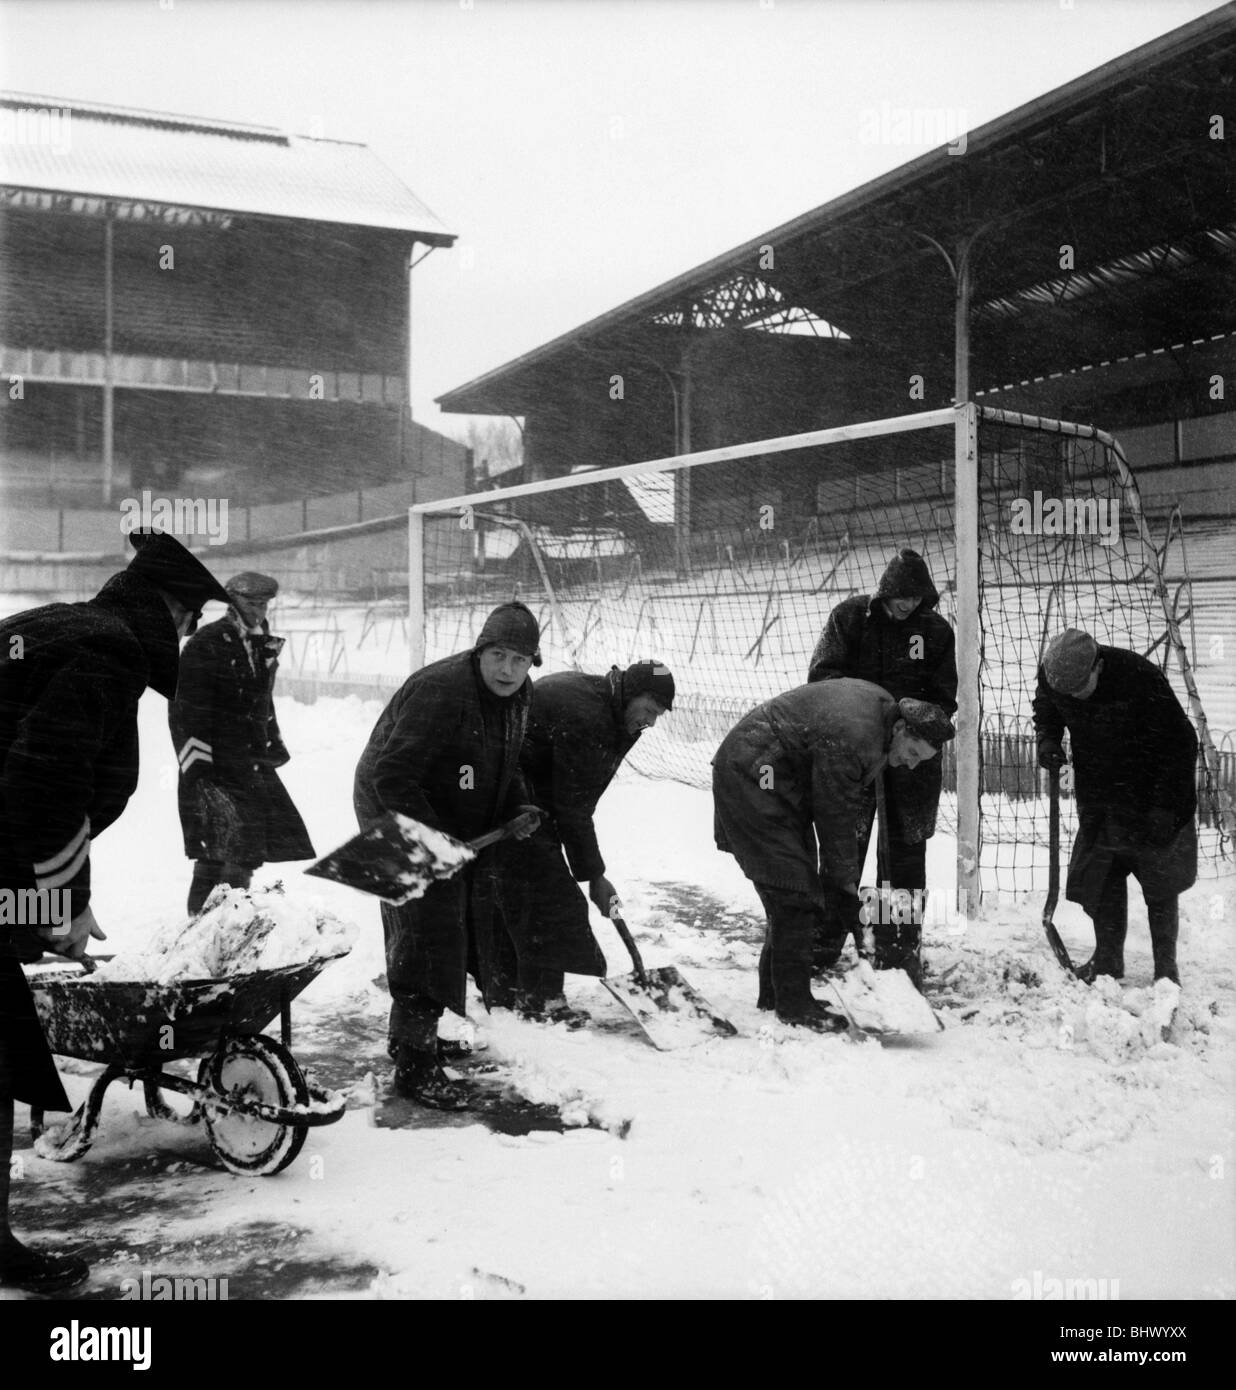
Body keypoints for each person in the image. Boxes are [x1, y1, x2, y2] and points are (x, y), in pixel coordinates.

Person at [0, 530, 230, 1293]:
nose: (189, 639)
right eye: (190, 621)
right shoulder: (111, 650)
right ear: (167, 610)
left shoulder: (68, 626)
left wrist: (39, 902)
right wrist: (60, 902)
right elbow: (42, 778)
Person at [353, 601, 543, 1110]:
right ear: (480, 652)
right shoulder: (441, 691)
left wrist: (519, 801)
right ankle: (415, 1067)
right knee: (426, 927)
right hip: (392, 806)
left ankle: (415, 1036)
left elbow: (507, 762)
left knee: (454, 922)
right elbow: (390, 776)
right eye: (498, 655)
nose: (508, 669)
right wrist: (436, 842)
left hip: (447, 811)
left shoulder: (519, 695)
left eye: (520, 659)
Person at [713, 679, 954, 1029]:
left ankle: (777, 995)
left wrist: (842, 887)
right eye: (913, 753)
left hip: (775, 778)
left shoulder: (881, 719)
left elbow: (836, 807)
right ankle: (793, 1006)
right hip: (756, 775)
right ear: (901, 728)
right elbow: (834, 812)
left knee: (793, 888)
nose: (911, 764)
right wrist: (844, 888)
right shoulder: (855, 736)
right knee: (792, 890)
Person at [806, 548, 957, 985]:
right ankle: (827, 938)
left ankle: (897, 946)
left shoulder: (936, 631)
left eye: (916, 597)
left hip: (912, 762)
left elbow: (945, 698)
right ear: (885, 591)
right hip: (854, 754)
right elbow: (822, 678)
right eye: (901, 596)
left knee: (904, 855)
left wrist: (916, 717)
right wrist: (874, 712)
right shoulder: (851, 618)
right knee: (843, 848)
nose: (908, 605)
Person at [496, 660, 675, 1025]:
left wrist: (587, 865)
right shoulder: (588, 715)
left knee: (528, 891)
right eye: (650, 710)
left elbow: (578, 795)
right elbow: (573, 806)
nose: (651, 722)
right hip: (507, 793)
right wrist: (595, 875)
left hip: (530, 792)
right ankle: (539, 1000)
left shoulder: (612, 707)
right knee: (553, 897)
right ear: (632, 693)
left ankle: (510, 987)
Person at [1033, 628, 1198, 985]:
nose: (1075, 697)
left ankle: (1166, 970)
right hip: (1102, 792)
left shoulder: (1140, 679)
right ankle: (1107, 959)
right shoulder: (1055, 677)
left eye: (1080, 688)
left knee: (1160, 879)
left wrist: (1165, 807)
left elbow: (1182, 744)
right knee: (1103, 873)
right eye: (1067, 693)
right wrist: (1048, 736)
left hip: (1155, 793)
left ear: (1098, 667)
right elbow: (1048, 704)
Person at [170, 571, 314, 913]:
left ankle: (230, 927)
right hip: (213, 767)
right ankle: (201, 929)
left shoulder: (259, 642)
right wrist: (199, 771)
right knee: (215, 852)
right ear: (232, 601)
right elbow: (185, 711)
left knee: (248, 851)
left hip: (249, 766)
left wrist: (272, 744)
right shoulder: (206, 643)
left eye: (264, 603)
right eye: (251, 602)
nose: (259, 610)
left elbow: (262, 700)